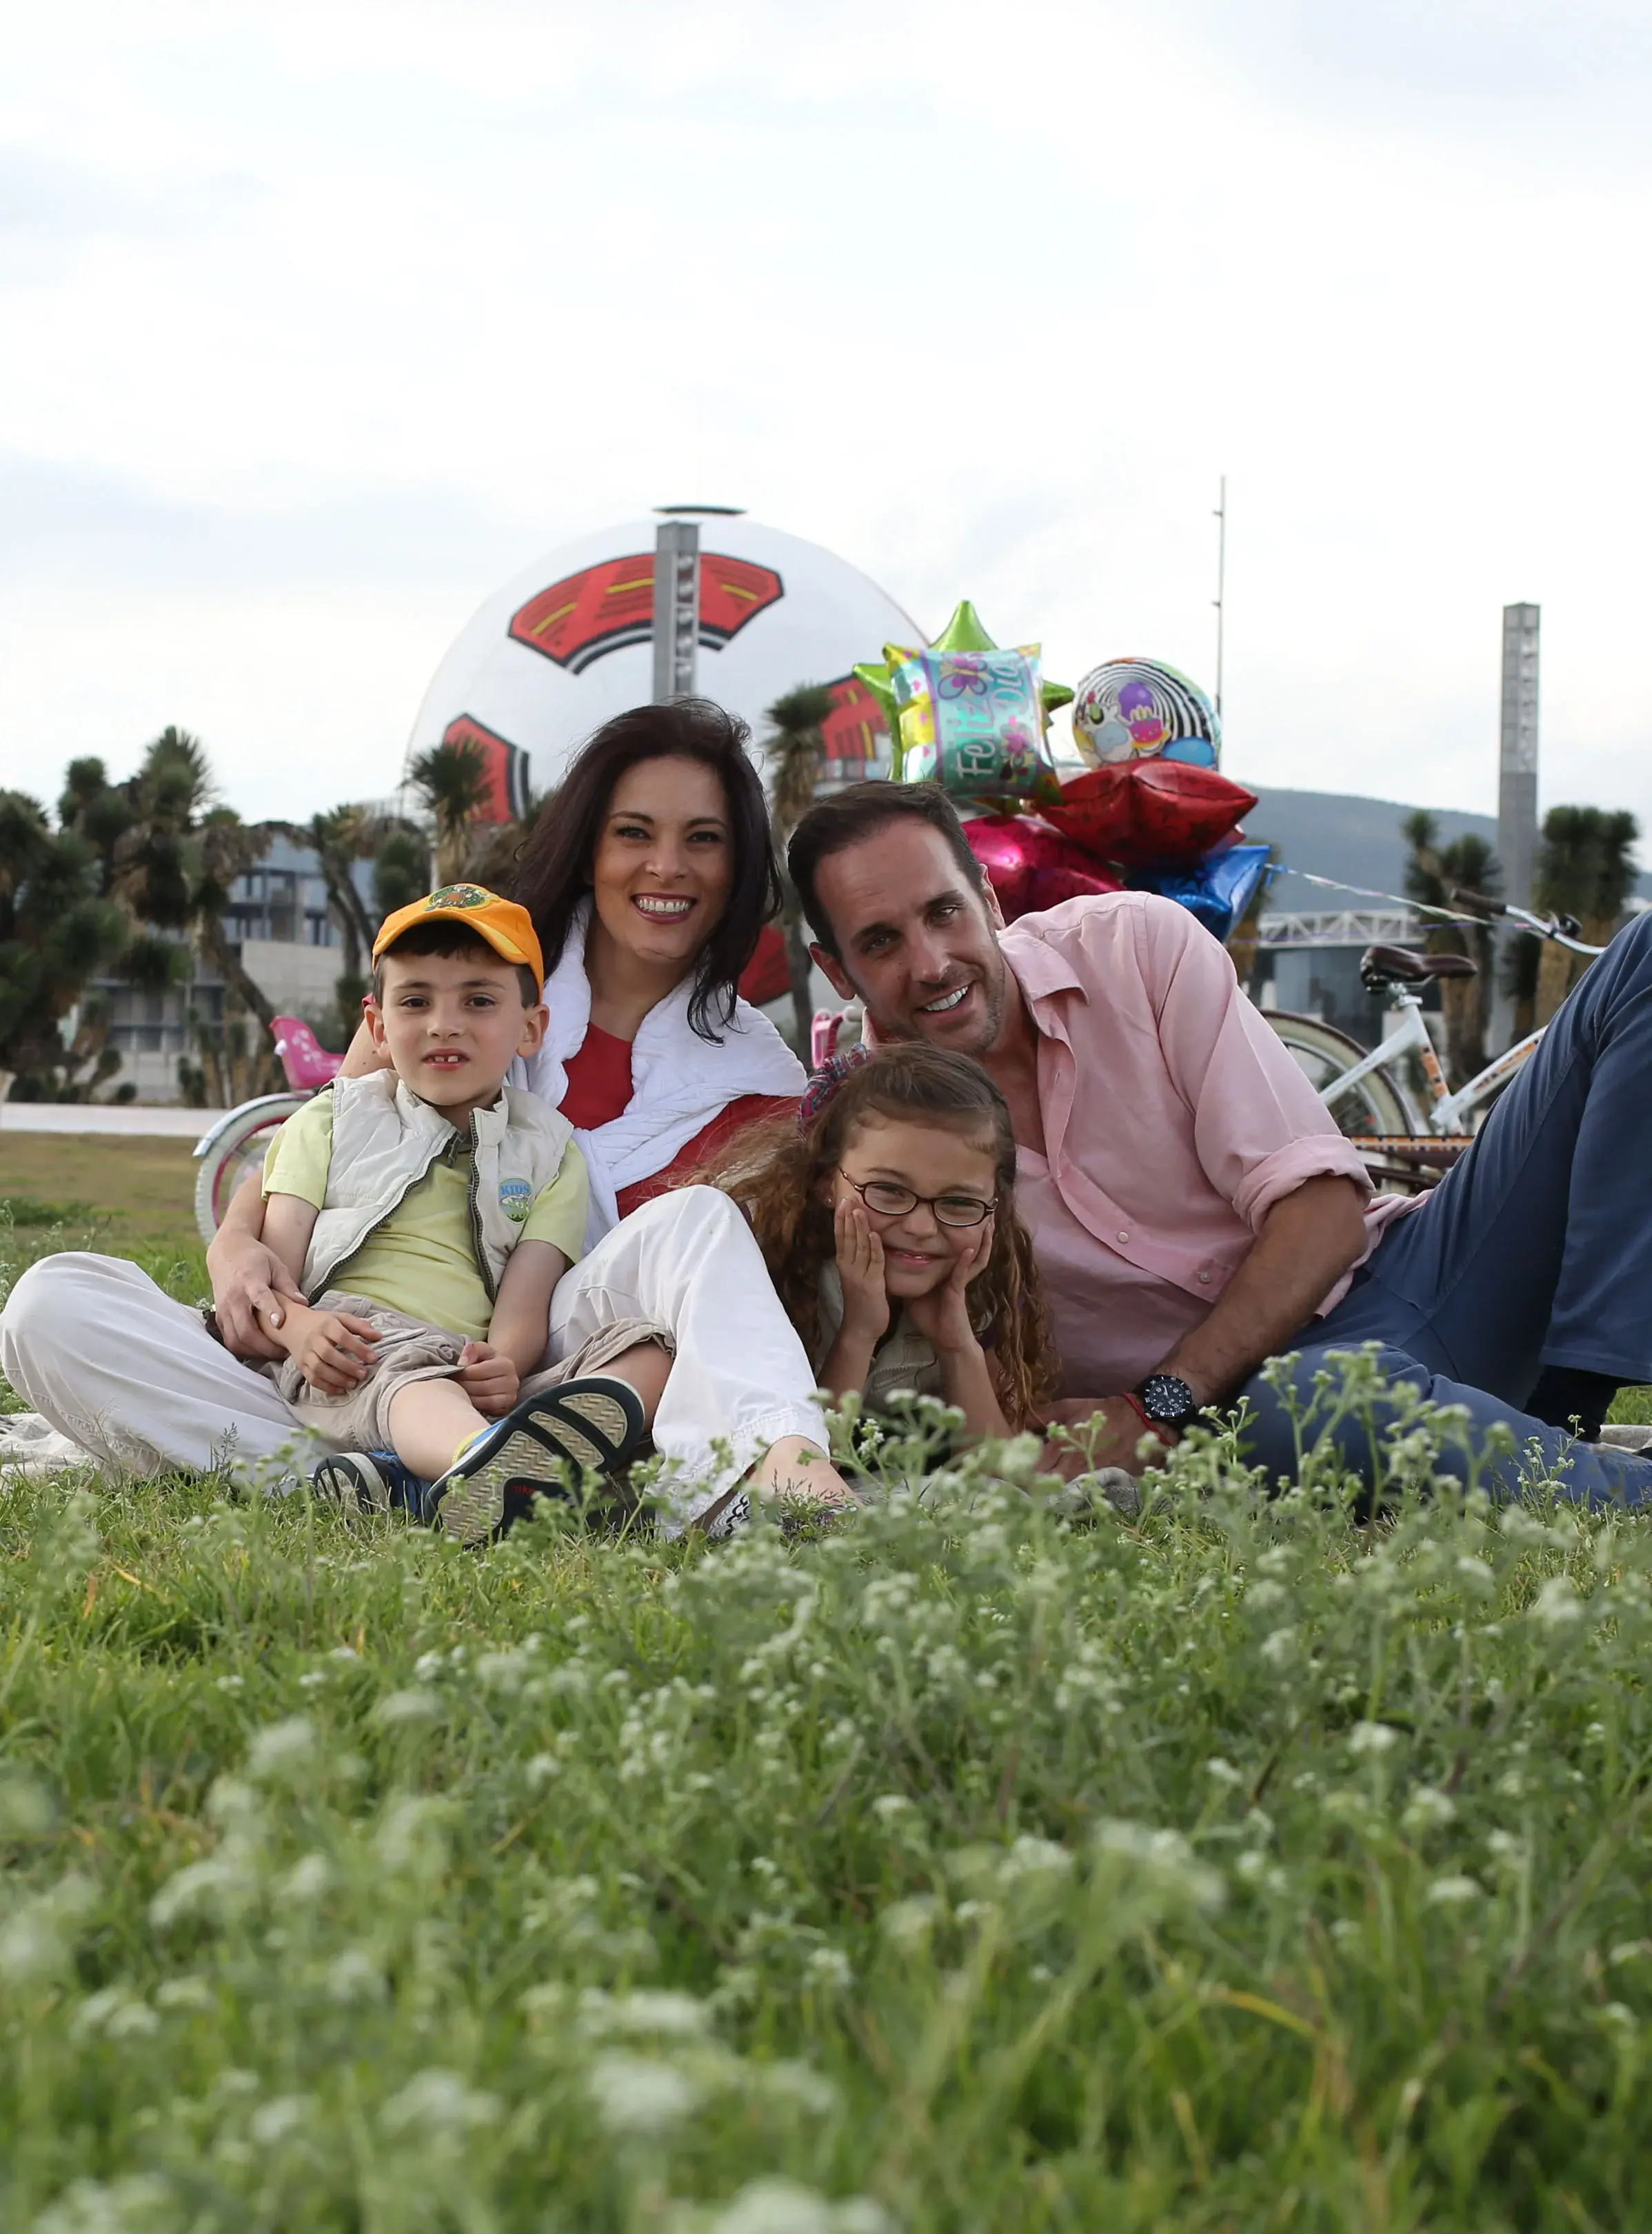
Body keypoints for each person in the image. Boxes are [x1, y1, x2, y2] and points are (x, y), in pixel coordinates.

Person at [785, 780, 1652, 1506]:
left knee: (1640, 955)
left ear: (988, 895)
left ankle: (1570, 1403)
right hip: (1251, 1420)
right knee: (1299, 1409)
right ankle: (1613, 1487)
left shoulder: (1133, 946)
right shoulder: (867, 1145)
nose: (932, 962)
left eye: (943, 911)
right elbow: (940, 1387)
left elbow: (1323, 1212)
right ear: (836, 971)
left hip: (1416, 1279)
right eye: (881, 942)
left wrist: (1158, 1402)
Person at [0, 883, 849, 1538]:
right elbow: (279, 1270)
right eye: (416, 1002)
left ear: (529, 1027)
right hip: (341, 1351)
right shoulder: (332, 1119)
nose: (445, 1024)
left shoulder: (546, 1146)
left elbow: (527, 1296)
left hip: (471, 1374)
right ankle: (484, 1477)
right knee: (52, 1301)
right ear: (375, 1019)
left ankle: (429, 1480)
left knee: (654, 1351)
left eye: (478, 1001)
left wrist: (504, 1366)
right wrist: (294, 1328)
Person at [205, 698, 805, 1366]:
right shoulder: (459, 993)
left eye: (703, 838)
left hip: (586, 1359)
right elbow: (322, 1135)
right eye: (633, 833)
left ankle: (475, 1444)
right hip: (356, 1346)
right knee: (71, 1298)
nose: (666, 866)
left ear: (740, 865)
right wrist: (233, 1248)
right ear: (588, 852)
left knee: (683, 1257)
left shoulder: (763, 1086)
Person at [703, 1041, 1058, 1440]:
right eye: (889, 1191)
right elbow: (799, 1475)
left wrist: (957, 1346)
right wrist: (859, 1331)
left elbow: (1001, 1477)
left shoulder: (980, 1287)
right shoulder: (768, 1267)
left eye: (960, 1202)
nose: (921, 1228)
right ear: (825, 1182)